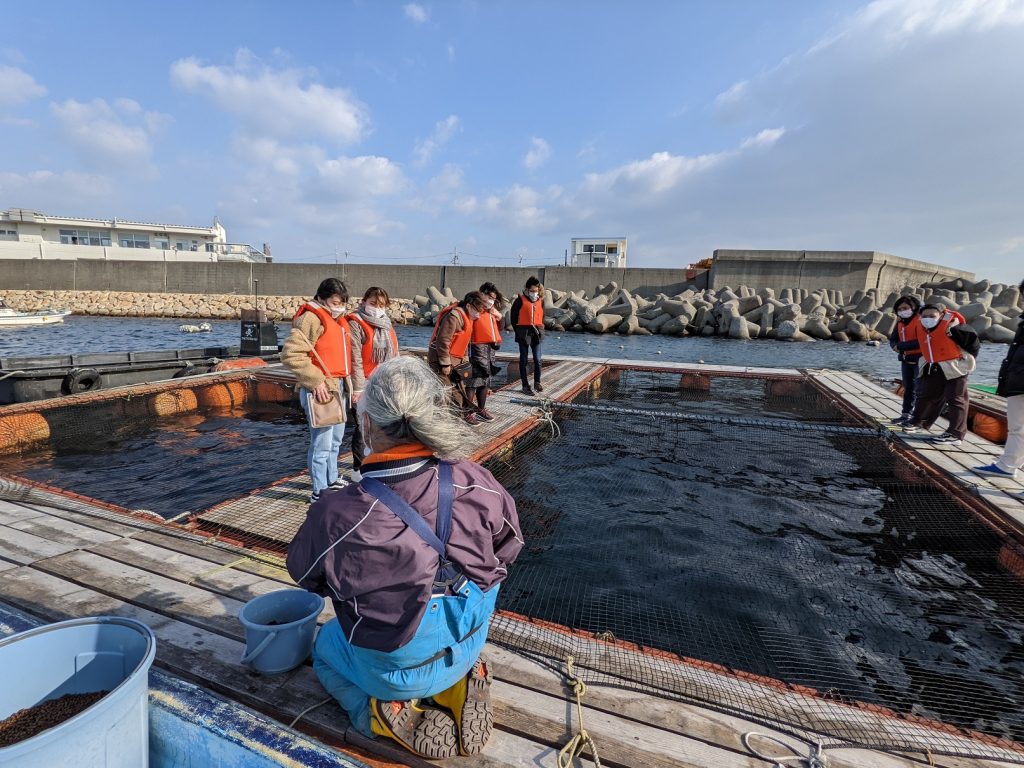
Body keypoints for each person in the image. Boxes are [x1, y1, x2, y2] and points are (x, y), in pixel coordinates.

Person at [287, 356, 523, 759]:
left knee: (325, 646)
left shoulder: (336, 513)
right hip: (470, 636)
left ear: (366, 425)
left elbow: (305, 575)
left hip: (396, 669)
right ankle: (456, 680)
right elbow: (510, 545)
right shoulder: (477, 480)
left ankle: (375, 717)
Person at [281, 278, 353, 503]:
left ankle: (331, 479)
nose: (339, 307)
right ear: (321, 298)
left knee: (335, 441)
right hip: (321, 389)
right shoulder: (311, 318)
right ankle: (319, 491)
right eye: (335, 303)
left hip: (338, 386)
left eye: (342, 303)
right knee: (321, 444)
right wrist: (315, 381)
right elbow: (291, 354)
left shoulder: (338, 320)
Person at [901, 303, 981, 446]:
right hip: (933, 364)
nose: (928, 319)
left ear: (941, 315)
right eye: (924, 316)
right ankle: (919, 422)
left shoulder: (954, 327)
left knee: (956, 399)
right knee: (926, 394)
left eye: (932, 316)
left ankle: (955, 434)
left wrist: (966, 360)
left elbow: (973, 343)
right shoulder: (923, 327)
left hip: (955, 367)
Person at [975, 279, 1024, 484]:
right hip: (1018, 381)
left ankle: (1008, 465)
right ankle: (1007, 465)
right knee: (1017, 427)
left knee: (1018, 427)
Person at [347, 286, 400, 477]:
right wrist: (358, 388)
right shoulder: (356, 323)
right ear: (364, 302)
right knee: (363, 426)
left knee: (383, 424)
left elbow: (395, 353)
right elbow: (355, 358)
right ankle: (358, 468)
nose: (377, 308)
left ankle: (377, 461)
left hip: (383, 382)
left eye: (381, 305)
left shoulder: (387, 324)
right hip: (364, 381)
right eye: (373, 303)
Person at [427, 291, 489, 426]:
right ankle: (439, 421)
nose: (478, 314)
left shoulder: (468, 318)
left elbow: (464, 341)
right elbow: (443, 341)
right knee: (445, 390)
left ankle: (459, 416)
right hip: (440, 359)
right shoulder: (454, 317)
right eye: (477, 310)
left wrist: (465, 361)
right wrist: (445, 364)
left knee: (459, 390)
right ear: (469, 306)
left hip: (456, 360)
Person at [468, 282, 505, 423]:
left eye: (493, 299)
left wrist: (499, 316)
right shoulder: (474, 308)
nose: (491, 301)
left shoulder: (492, 311)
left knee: (486, 379)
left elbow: (500, 327)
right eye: (489, 298)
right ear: (481, 294)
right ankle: (468, 412)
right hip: (476, 347)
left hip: (490, 348)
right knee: (474, 380)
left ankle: (481, 409)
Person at [888, 295, 923, 426]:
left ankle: (918, 418)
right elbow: (893, 339)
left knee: (920, 389)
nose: (903, 311)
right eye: (900, 309)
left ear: (914, 308)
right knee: (908, 387)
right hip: (906, 359)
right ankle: (906, 414)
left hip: (920, 360)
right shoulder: (900, 322)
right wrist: (895, 347)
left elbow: (921, 341)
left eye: (906, 308)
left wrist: (901, 346)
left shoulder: (921, 320)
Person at [509, 276, 545, 395]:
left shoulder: (541, 301)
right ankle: (525, 385)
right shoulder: (520, 300)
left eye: (536, 291)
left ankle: (537, 382)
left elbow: (542, 316)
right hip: (523, 332)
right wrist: (518, 330)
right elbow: (513, 317)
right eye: (532, 291)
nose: (534, 293)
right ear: (527, 289)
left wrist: (540, 328)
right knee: (523, 359)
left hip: (537, 332)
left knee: (537, 359)